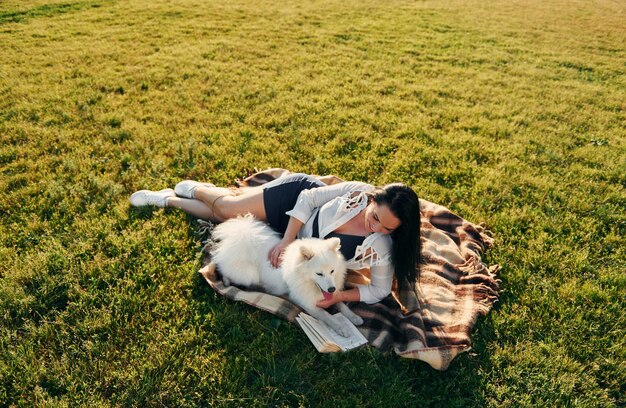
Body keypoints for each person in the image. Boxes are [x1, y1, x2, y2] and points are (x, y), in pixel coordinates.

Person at [130, 173, 421, 308]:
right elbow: (309, 197)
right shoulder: (359, 192)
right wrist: (285, 241)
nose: (376, 227)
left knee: (225, 219)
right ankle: (196, 189)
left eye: (387, 228)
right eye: (375, 217)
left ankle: (168, 200)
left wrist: (338, 296)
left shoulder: (382, 248)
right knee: (229, 209)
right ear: (372, 200)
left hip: (299, 240)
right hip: (295, 203)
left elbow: (380, 290)